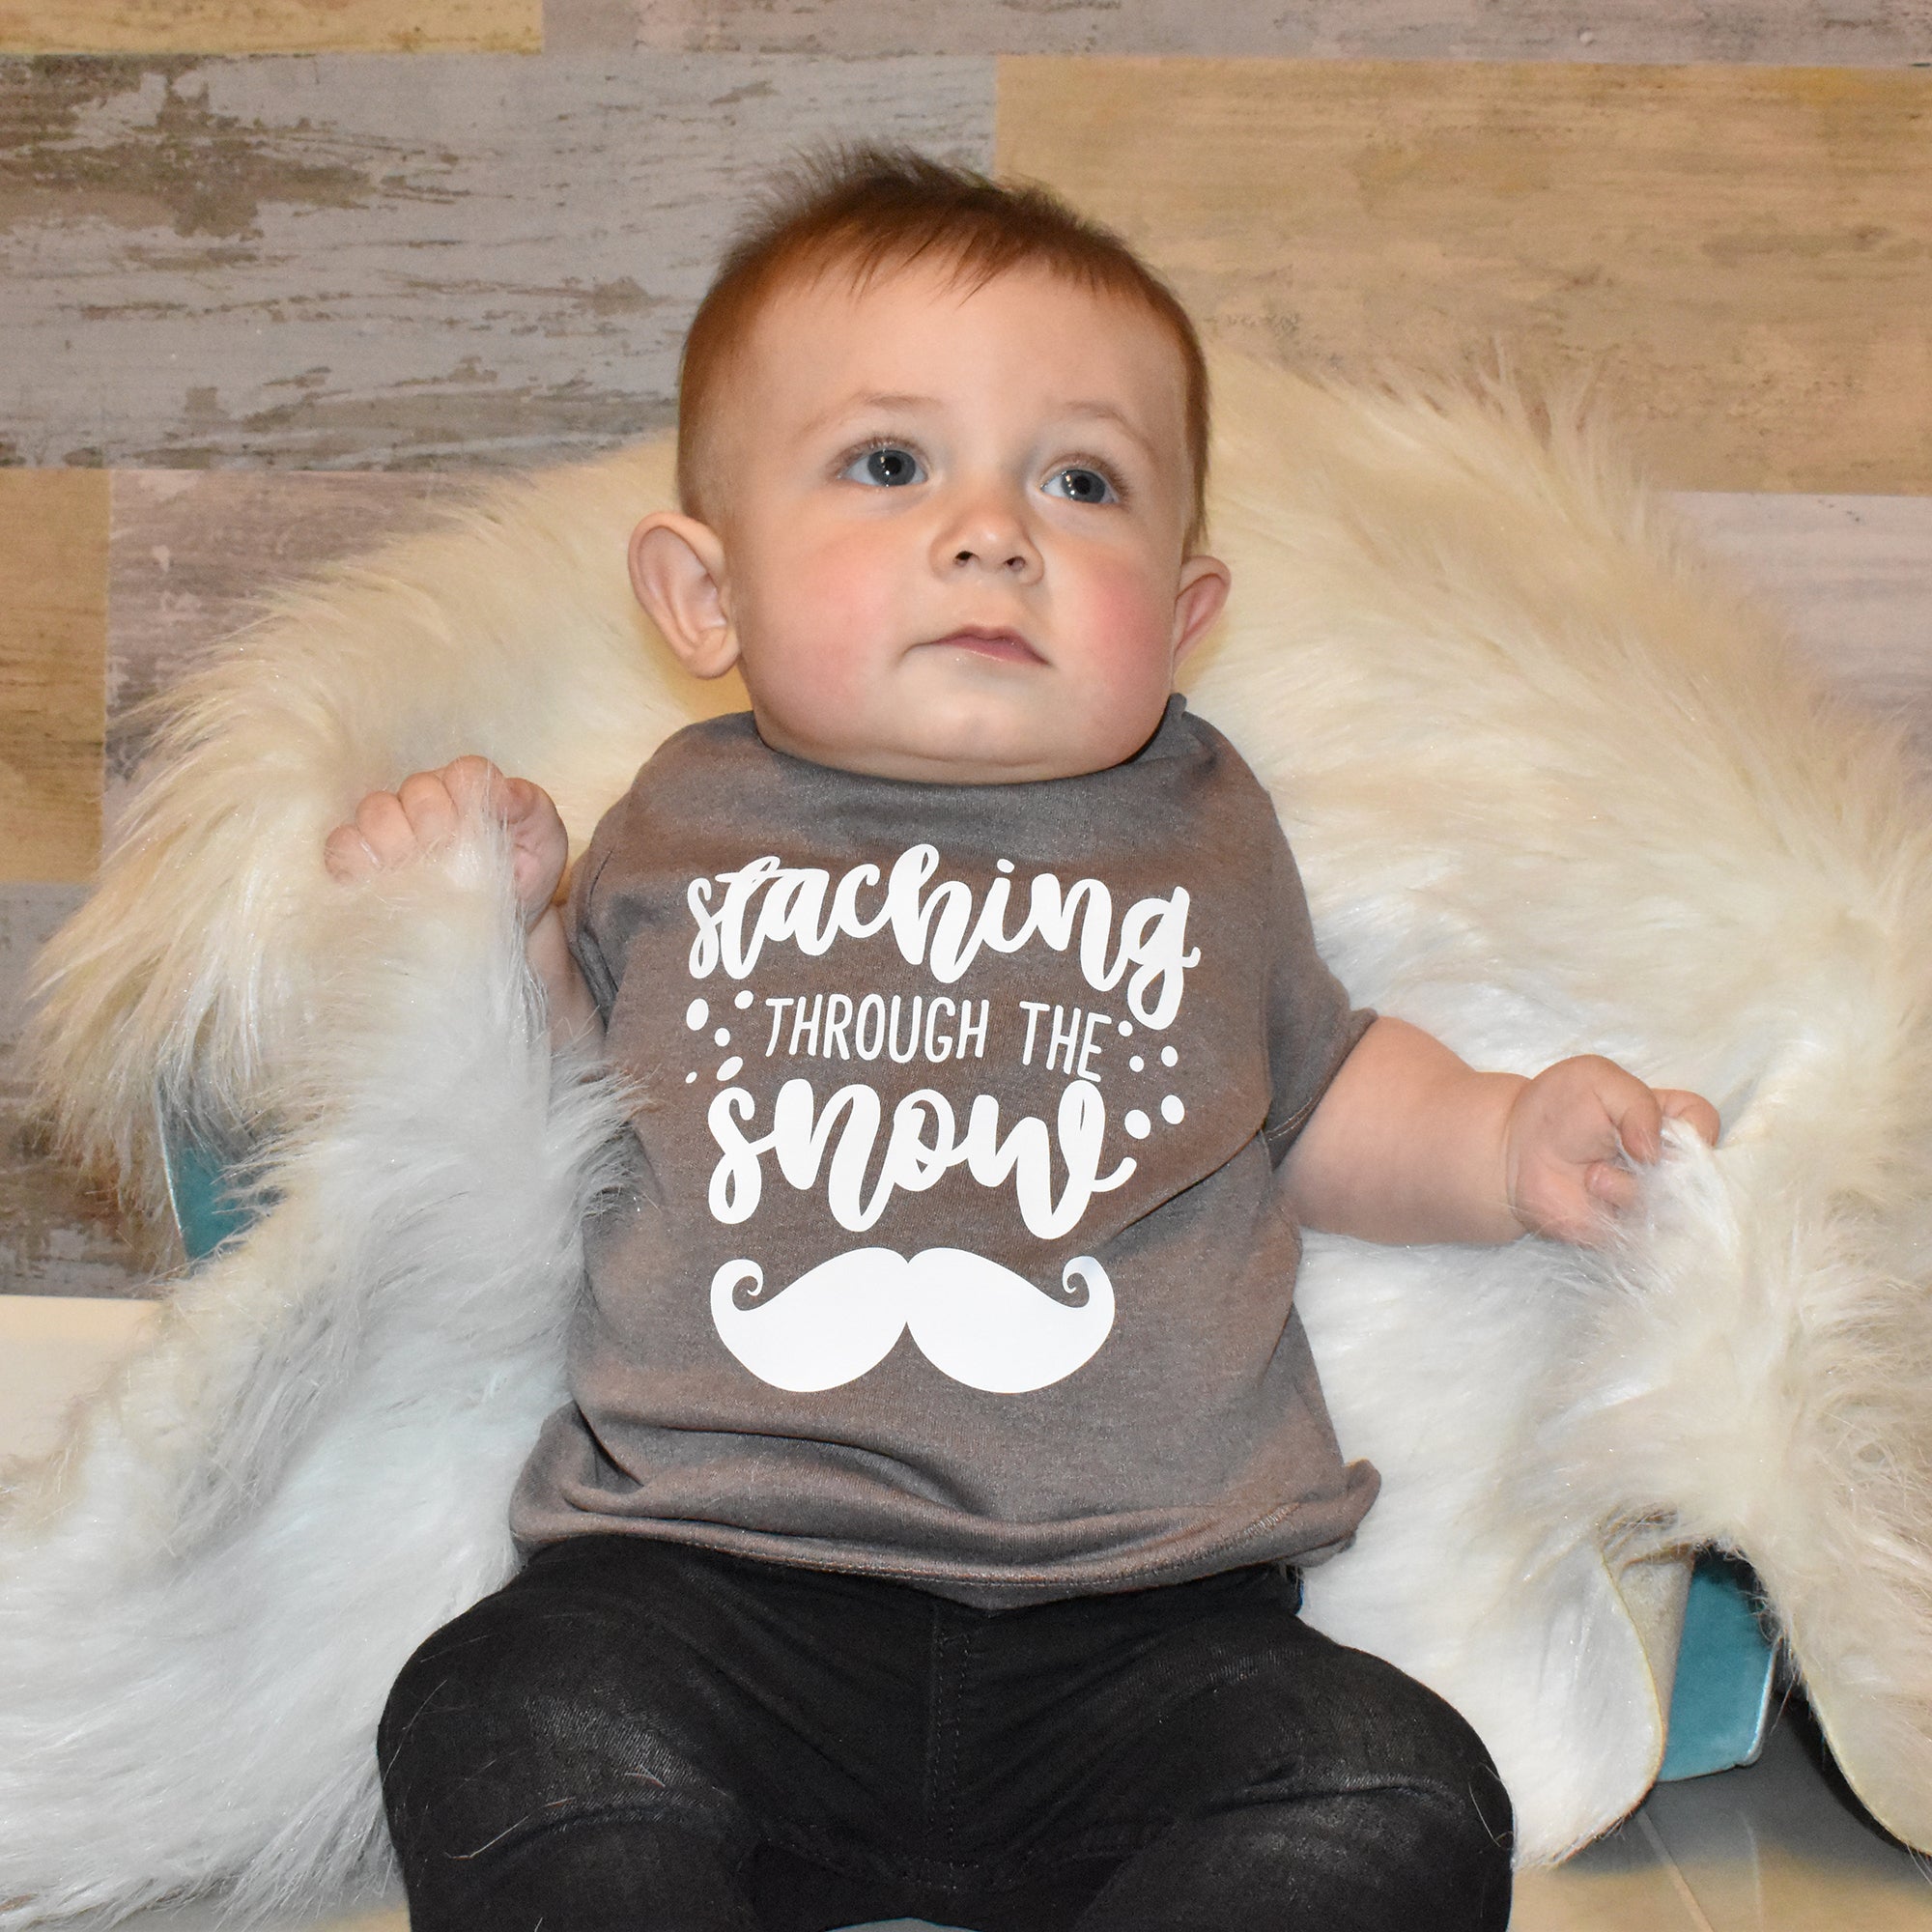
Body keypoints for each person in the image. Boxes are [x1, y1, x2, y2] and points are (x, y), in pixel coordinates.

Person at [327, 149, 1719, 1932]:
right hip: (703, 1596)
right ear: (704, 593)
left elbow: (1325, 1086)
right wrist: (484, 916)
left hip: (1149, 1636)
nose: (995, 531)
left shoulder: (1206, 831)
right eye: (890, 464)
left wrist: (1511, 1138)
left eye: (1080, 479)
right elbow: (543, 1108)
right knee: (501, 1718)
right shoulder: (674, 824)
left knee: (1399, 1789)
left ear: (1188, 614)